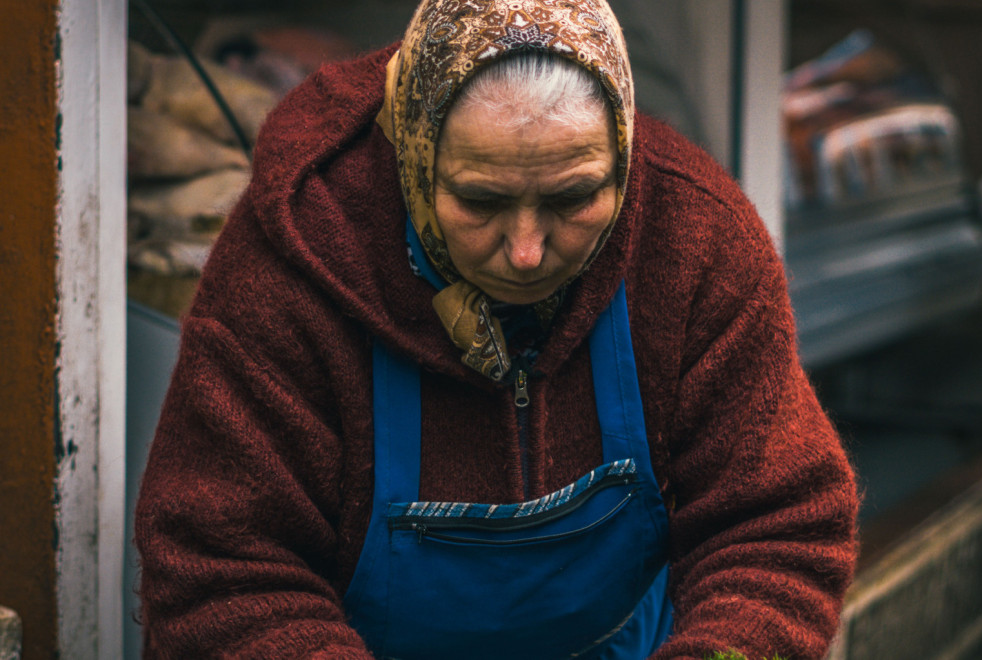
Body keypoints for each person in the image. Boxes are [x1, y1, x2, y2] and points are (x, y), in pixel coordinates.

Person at [134, 1, 859, 658]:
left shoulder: (695, 239)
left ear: (626, 162)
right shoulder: (291, 268)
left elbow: (774, 530)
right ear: (414, 160)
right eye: (479, 201)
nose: (525, 250)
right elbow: (225, 575)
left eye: (573, 198)